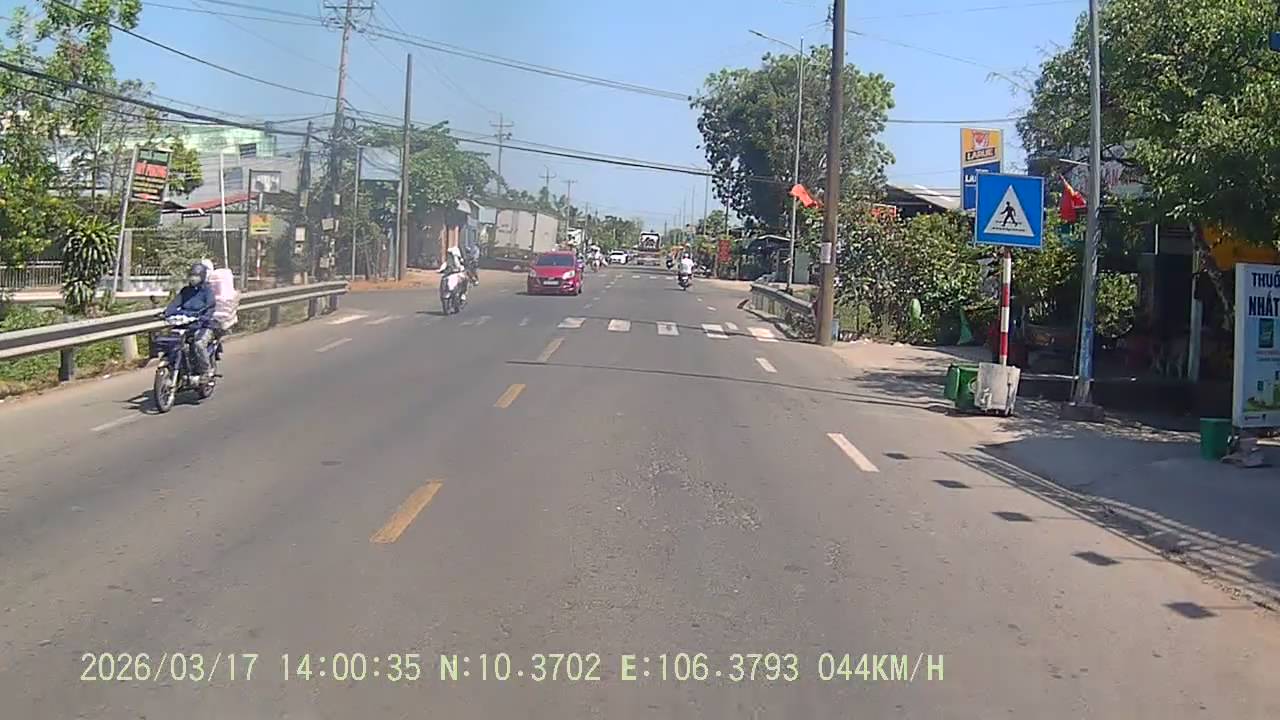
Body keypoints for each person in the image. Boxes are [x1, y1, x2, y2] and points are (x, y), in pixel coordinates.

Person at [163, 262, 216, 384]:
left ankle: (205, 372)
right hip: (185, 325)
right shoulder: (185, 291)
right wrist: (166, 313)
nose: (193, 278)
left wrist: (204, 317)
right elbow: (174, 304)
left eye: (196, 275)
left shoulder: (207, 291)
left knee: (199, 344)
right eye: (191, 275)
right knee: (173, 344)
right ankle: (177, 370)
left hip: (203, 326)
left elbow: (210, 307)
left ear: (202, 276)